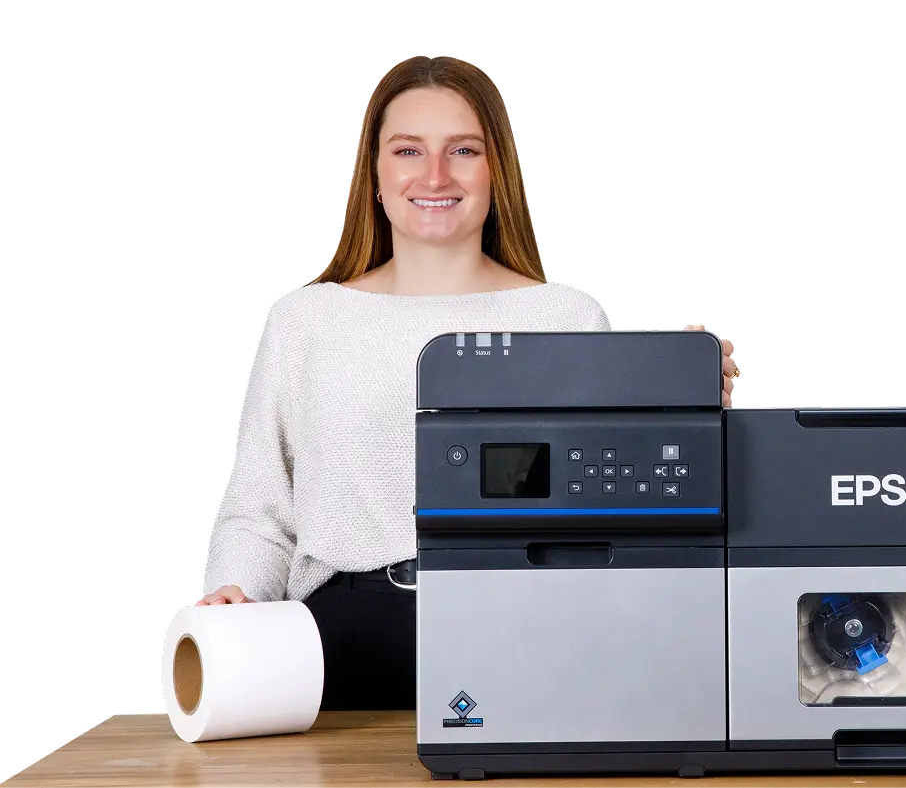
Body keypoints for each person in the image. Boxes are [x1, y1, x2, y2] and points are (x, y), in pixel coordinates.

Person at [193, 55, 739, 711]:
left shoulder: (566, 316)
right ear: (373, 173)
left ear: (495, 171)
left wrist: (682, 417)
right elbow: (258, 508)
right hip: (338, 640)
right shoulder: (305, 320)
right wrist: (236, 594)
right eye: (407, 151)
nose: (435, 175)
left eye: (462, 150)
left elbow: (613, 501)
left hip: (529, 626)